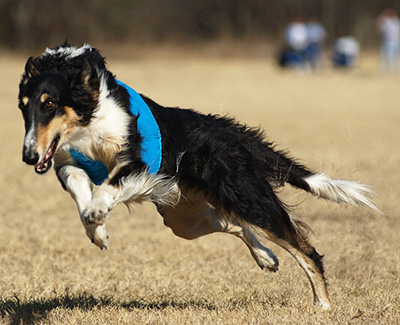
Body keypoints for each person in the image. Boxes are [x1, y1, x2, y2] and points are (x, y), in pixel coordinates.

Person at [376, 9, 400, 73]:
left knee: (396, 56)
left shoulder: (397, 22)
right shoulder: (386, 22)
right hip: (388, 41)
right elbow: (379, 24)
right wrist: (383, 16)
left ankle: (395, 70)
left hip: (396, 41)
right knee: (387, 56)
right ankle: (387, 70)